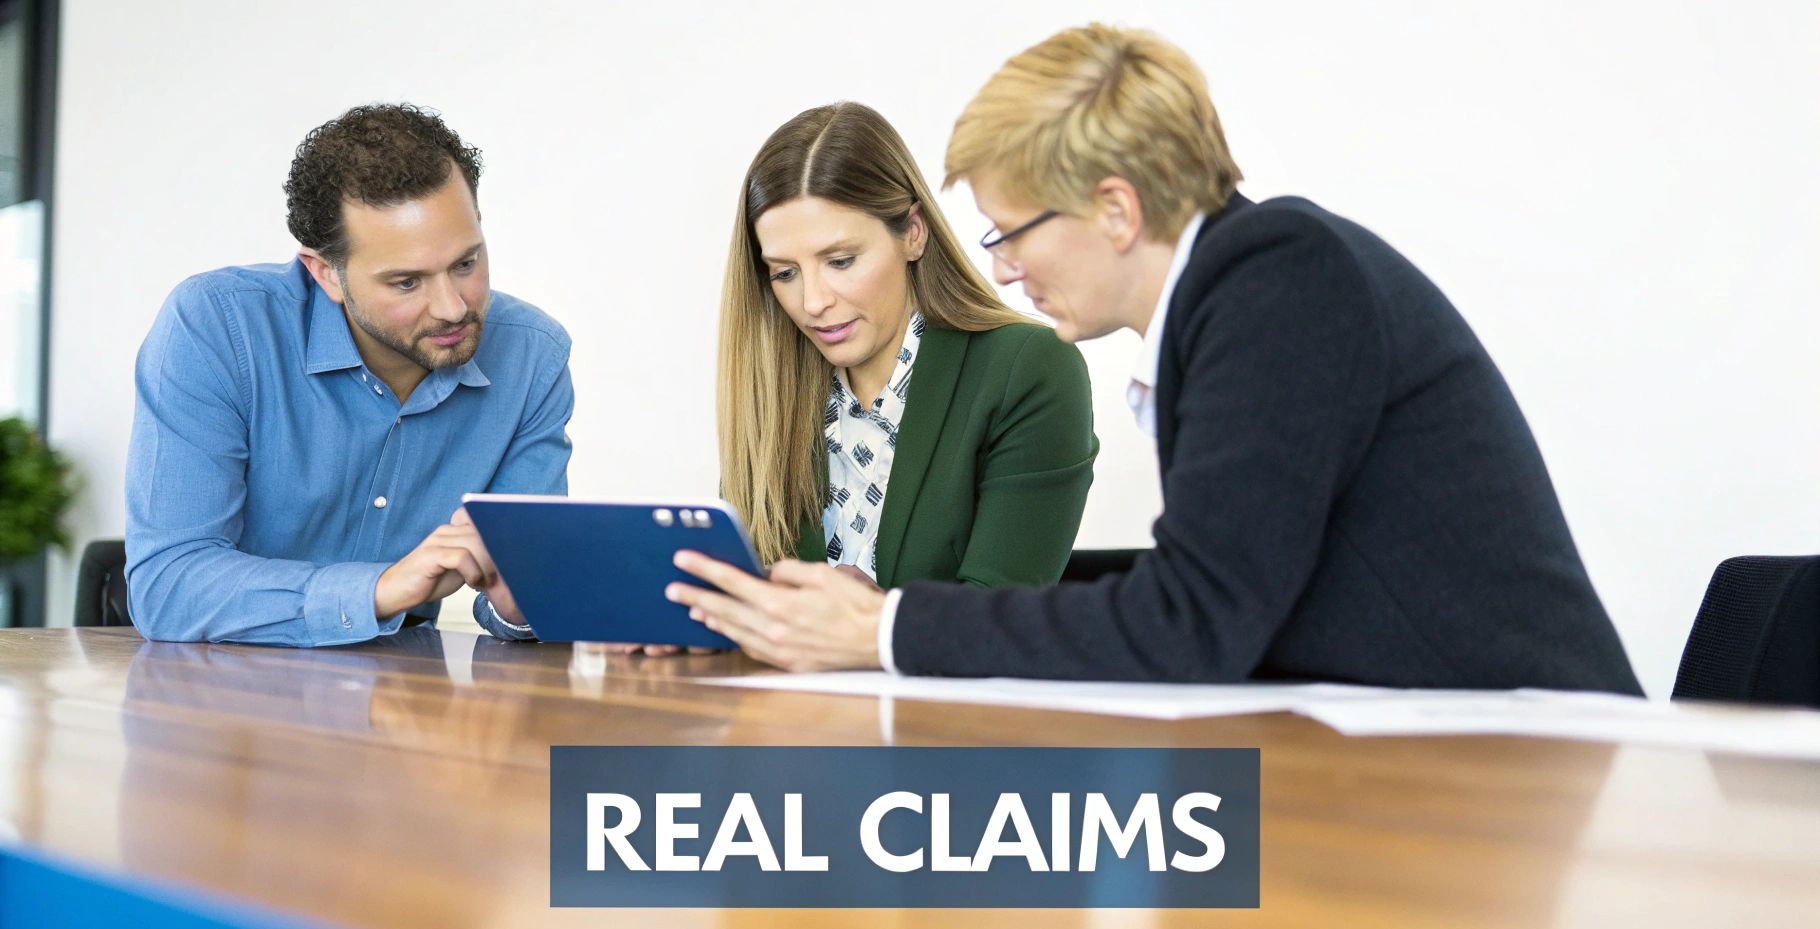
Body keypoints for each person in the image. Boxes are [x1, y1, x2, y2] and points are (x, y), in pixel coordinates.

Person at [667, 25, 1642, 694]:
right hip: (1437, 737)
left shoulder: (1280, 279)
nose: (1002, 268)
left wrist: (882, 628)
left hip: (1528, 750)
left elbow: (1191, 621)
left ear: (1115, 209)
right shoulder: (1242, 291)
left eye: (1013, 232)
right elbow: (1208, 583)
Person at [621, 102, 1099, 659]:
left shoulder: (1028, 368)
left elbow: (1002, 622)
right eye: (785, 272)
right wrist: (703, 620)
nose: (813, 302)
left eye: (841, 261)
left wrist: (875, 620)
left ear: (913, 233)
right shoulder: (773, 390)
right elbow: (757, 603)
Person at [126, 103, 571, 646]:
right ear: (325, 274)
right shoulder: (217, 326)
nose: (453, 307)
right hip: (223, 683)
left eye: (466, 263)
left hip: (405, 685)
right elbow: (168, 585)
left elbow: (521, 599)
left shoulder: (533, 355)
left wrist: (526, 604)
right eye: (407, 282)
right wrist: (378, 590)